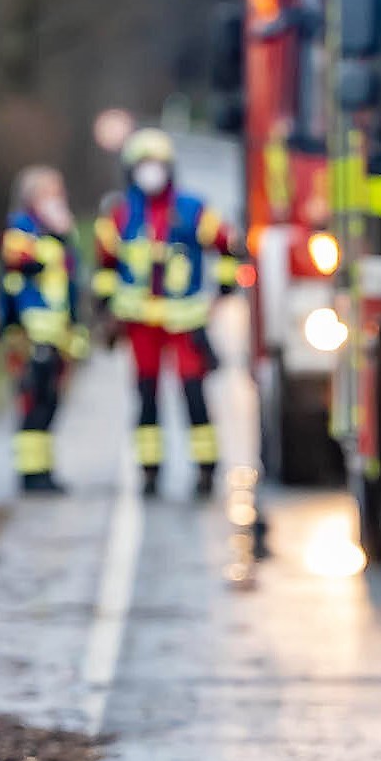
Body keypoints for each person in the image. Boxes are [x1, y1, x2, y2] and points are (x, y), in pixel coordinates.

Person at [93, 127, 237, 496]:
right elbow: (105, 266)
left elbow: (227, 246)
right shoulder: (120, 215)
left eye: (156, 164)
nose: (150, 172)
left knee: (194, 397)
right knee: (146, 399)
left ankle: (206, 469)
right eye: (143, 165)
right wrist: (106, 306)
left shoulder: (191, 209)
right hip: (141, 325)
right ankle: (149, 471)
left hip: (184, 321)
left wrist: (223, 286)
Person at [0, 165, 86, 495]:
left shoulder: (62, 233)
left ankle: (45, 469)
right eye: (49, 191)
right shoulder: (23, 228)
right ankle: (30, 474)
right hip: (30, 333)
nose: (56, 198)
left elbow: (70, 284)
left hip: (57, 333)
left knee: (50, 403)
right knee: (32, 403)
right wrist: (52, 235)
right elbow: (18, 264)